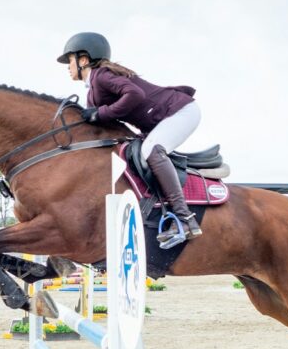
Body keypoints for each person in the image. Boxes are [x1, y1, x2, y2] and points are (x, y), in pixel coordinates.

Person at [58, 32, 202, 245]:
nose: (67, 67)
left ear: (84, 60)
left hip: (181, 111)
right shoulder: (93, 90)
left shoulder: (102, 75)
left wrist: (101, 113)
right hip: (165, 118)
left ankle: (185, 218)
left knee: (151, 151)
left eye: (69, 60)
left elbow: (135, 95)